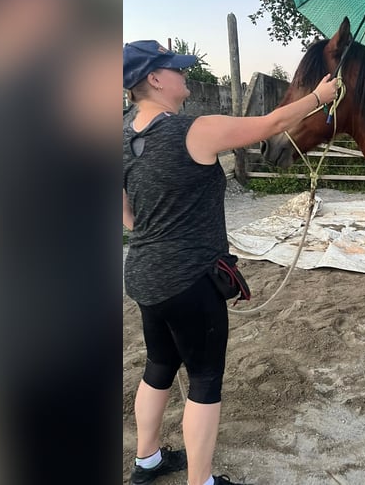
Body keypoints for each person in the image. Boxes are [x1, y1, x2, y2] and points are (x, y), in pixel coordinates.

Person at [122, 40, 338, 485]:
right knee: (204, 379)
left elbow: (123, 212)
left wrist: (154, 224)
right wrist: (319, 97)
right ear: (155, 79)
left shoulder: (120, 134)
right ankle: (200, 481)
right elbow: (271, 124)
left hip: (144, 274)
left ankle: (147, 462)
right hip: (189, 281)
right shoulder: (195, 130)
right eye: (176, 69)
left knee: (160, 365)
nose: (185, 75)